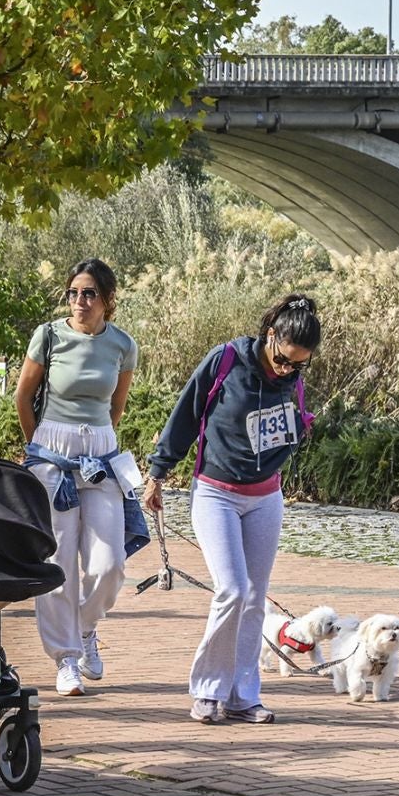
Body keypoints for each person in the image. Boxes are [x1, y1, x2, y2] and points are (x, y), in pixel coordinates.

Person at [142, 293, 321, 726]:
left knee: (255, 597)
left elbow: (282, 432)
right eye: (283, 359)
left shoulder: (290, 379)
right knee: (233, 590)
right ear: (270, 335)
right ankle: (206, 691)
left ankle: (243, 696)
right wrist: (158, 472)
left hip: (266, 496)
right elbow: (185, 414)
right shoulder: (226, 361)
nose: (287, 370)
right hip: (216, 493)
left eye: (299, 365)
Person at [15, 260, 140, 698]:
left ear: (107, 298)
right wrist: (41, 449)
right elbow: (23, 395)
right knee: (57, 562)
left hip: (100, 453)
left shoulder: (123, 345)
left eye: (88, 293)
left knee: (110, 564)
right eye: (73, 293)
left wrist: (96, 443)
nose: (79, 302)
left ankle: (86, 628)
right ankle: (66, 658)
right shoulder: (49, 336)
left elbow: (116, 408)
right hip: (52, 450)